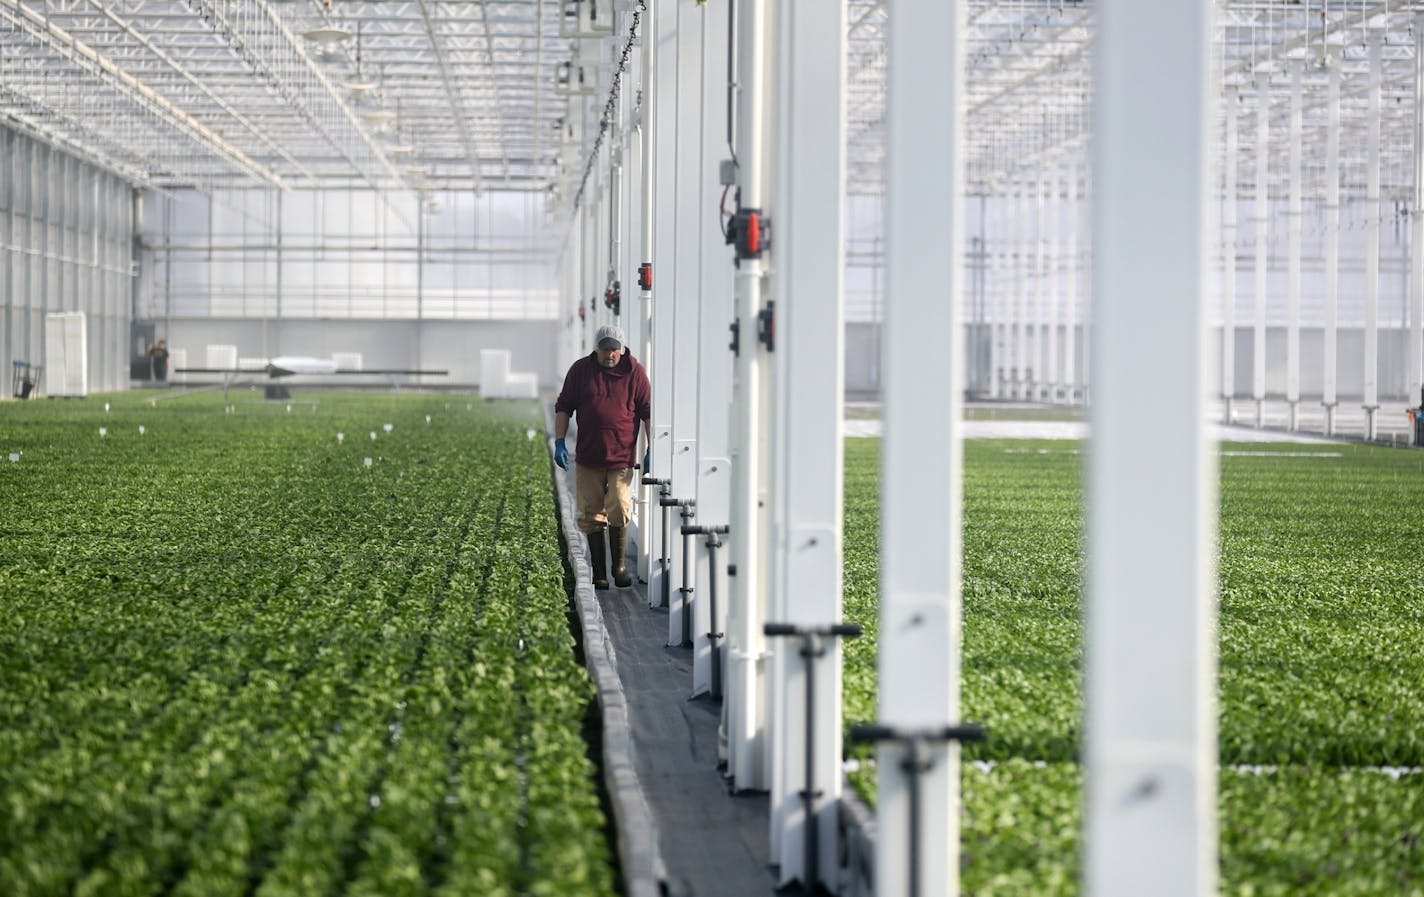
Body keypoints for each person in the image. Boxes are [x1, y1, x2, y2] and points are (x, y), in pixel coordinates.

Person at [554, 323, 651, 590]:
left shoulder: (636, 373)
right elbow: (564, 407)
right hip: (588, 457)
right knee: (592, 512)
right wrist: (560, 441)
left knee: (619, 506)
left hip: (620, 457)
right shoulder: (580, 371)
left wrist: (652, 447)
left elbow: (647, 412)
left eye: (614, 349)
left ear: (621, 350)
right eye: (605, 349)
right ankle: (599, 572)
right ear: (596, 349)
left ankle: (618, 567)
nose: (609, 354)